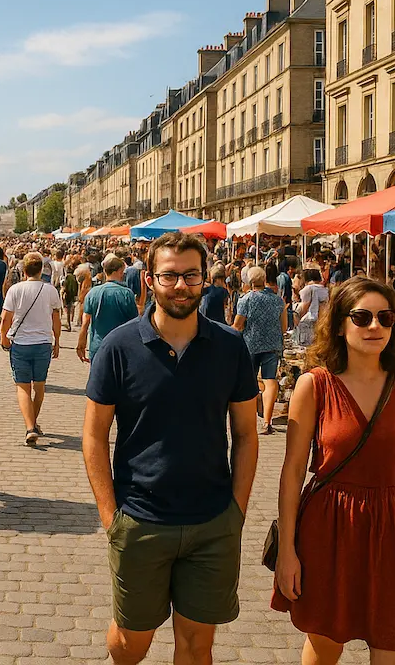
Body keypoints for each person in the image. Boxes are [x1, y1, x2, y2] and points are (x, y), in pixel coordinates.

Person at [82, 232, 259, 665]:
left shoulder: (230, 346)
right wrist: (111, 518)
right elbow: (93, 435)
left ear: (205, 280)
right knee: (130, 644)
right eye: (170, 276)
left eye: (191, 275)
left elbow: (247, 433)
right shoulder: (119, 347)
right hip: (141, 519)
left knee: (198, 646)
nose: (181, 285)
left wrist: (237, 509)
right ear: (150, 281)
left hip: (212, 521)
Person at [272, 276, 395, 662]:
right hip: (329, 525)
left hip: (391, 526)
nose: (375, 327)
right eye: (362, 317)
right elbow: (292, 474)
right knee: (324, 646)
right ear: (338, 324)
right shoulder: (314, 385)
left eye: (385, 318)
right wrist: (287, 551)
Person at [0, 252, 62, 446]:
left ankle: (30, 427)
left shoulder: (15, 290)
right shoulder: (50, 290)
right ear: (41, 270)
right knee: (40, 387)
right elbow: (56, 319)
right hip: (43, 342)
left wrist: (3, 338)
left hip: (21, 344)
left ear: (24, 270)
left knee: (23, 387)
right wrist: (57, 340)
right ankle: (33, 423)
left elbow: (5, 318)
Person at [234, 266, 288, 435]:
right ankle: (267, 421)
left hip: (251, 344)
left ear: (250, 282)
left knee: (249, 380)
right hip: (272, 345)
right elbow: (284, 327)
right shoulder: (278, 300)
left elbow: (238, 325)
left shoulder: (246, 299)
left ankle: (247, 419)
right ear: (264, 280)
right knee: (270, 380)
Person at [77, 255, 139, 363]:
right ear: (119, 271)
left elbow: (85, 321)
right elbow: (134, 323)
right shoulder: (126, 294)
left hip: (98, 346)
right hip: (121, 347)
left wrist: (81, 343)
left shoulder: (93, 293)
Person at [296, 268, 329, 347]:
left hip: (308, 321)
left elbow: (304, 307)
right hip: (321, 321)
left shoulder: (308, 289)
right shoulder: (325, 290)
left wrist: (296, 318)